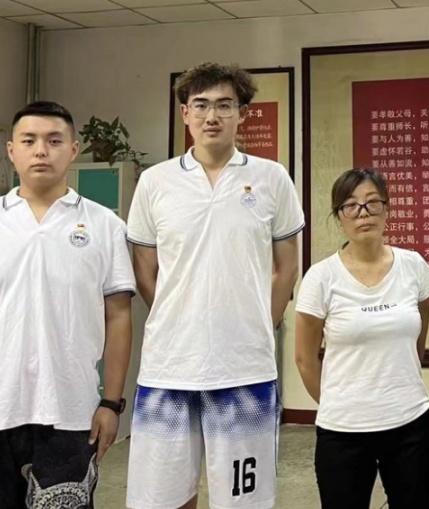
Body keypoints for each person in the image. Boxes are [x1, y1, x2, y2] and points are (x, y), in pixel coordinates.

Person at [126, 62, 304, 509]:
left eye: (225, 105)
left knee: (243, 500)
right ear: (185, 113)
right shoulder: (155, 182)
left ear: (243, 113)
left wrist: (258, 324)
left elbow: (286, 268)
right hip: (169, 365)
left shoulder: (271, 178)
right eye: (201, 105)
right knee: (162, 498)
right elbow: (145, 270)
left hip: (244, 368)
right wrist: (178, 314)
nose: (212, 116)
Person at [0, 101, 135, 508]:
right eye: (29, 141)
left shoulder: (104, 225)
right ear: (11, 151)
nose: (41, 150)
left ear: (73, 150)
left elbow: (119, 315)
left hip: (72, 412)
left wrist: (111, 403)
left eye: (54, 141)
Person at [294, 168, 429, 509]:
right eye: (351, 205)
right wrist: (338, 402)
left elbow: (419, 330)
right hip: (343, 430)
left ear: (387, 210)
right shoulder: (321, 277)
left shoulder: (413, 266)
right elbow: (304, 358)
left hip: (410, 422)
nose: (363, 213)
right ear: (339, 216)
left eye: (373, 203)